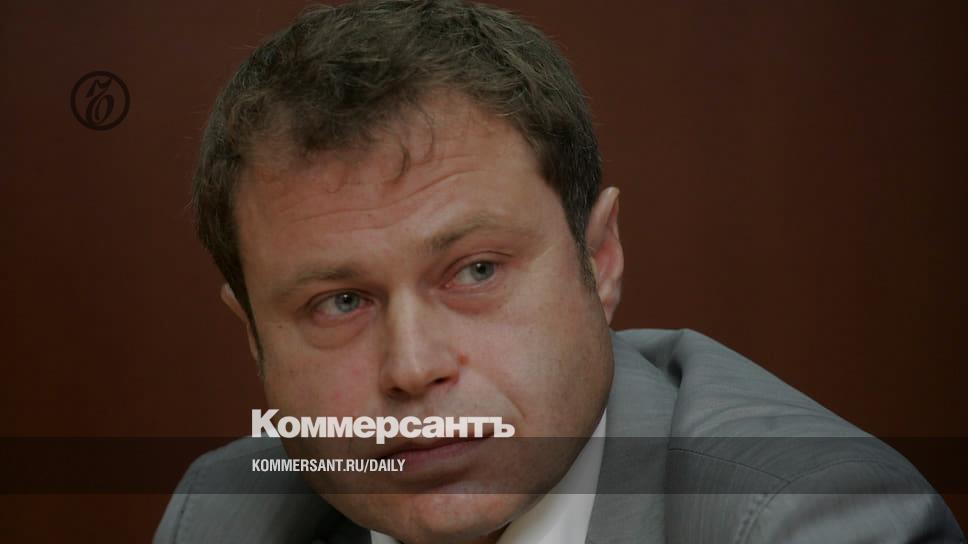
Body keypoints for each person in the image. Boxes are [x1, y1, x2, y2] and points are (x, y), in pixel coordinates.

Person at [155, 1, 964, 542]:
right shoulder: (228, 516)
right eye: (339, 302)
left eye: (476, 270)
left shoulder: (804, 520)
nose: (412, 367)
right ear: (253, 337)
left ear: (599, 261)